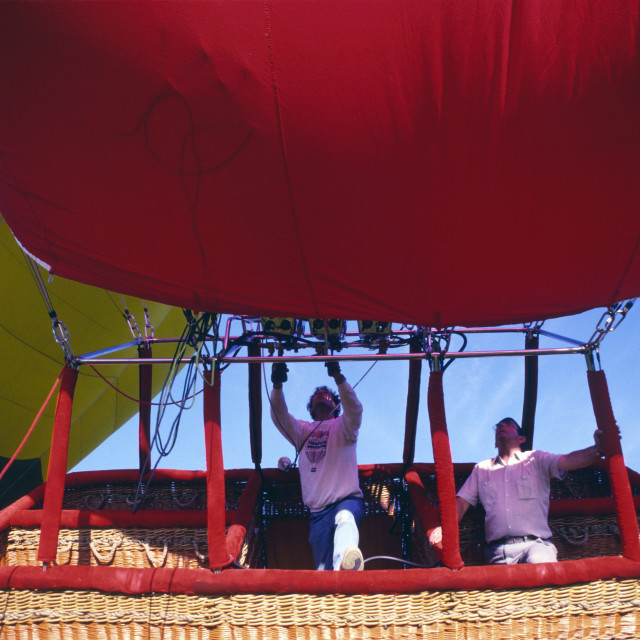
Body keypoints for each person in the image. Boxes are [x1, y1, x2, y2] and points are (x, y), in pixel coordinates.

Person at [429, 417, 604, 564]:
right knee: (502, 602)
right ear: (495, 441)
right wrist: (447, 528)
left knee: (543, 571)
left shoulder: (536, 459)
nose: (501, 427)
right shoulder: (481, 469)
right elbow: (462, 502)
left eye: (508, 424)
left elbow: (568, 460)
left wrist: (597, 449)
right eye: (498, 426)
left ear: (521, 439)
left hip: (535, 545)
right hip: (497, 552)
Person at [270, 360, 364, 570]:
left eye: (327, 394)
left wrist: (338, 377)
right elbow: (280, 417)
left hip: (346, 500)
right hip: (317, 512)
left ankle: (346, 567)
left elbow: (355, 409)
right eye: (316, 395)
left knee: (345, 518)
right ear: (310, 408)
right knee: (322, 572)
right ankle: (337, 584)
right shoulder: (303, 430)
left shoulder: (344, 425)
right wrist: (277, 386)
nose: (321, 395)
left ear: (336, 405)